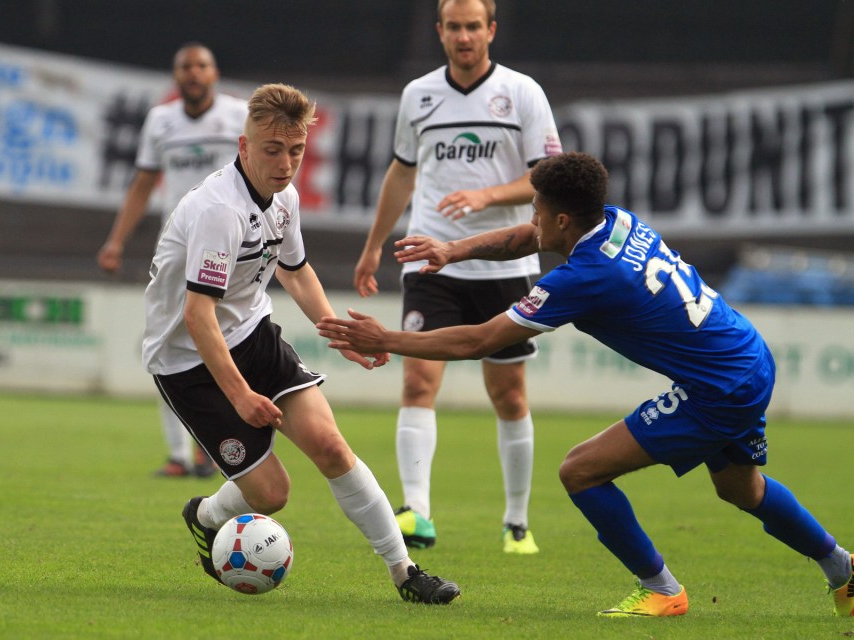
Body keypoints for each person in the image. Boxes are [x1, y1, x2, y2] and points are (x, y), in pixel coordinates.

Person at [318, 151, 854, 617]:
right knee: (742, 488)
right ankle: (843, 570)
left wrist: (385, 337)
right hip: (748, 356)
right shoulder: (617, 222)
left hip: (717, 388)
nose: (533, 220)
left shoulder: (587, 277)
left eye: (538, 210)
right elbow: (528, 237)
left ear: (564, 218)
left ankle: (661, 590)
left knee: (580, 471)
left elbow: (478, 341)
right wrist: (453, 251)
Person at [142, 83, 460, 604]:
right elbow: (197, 317)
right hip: (189, 361)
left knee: (333, 448)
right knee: (273, 494)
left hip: (252, 335)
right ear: (244, 147)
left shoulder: (284, 198)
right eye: (273, 149)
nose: (286, 162)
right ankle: (203, 515)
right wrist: (241, 395)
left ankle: (405, 572)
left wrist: (339, 333)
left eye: (296, 150)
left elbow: (296, 270)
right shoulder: (217, 210)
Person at [353, 0, 562, 554]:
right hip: (429, 258)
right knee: (418, 380)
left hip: (506, 260)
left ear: (490, 30)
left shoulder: (522, 92)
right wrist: (374, 245)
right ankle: (416, 511)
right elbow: (402, 171)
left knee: (508, 393)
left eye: (474, 26)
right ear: (440, 32)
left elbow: (548, 178)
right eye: (454, 26)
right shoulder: (418, 95)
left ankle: (516, 521)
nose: (465, 36)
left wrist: (488, 195)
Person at [98, 42, 248, 478]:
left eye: (202, 66)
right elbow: (143, 184)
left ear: (215, 73)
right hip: (177, 247)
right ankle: (181, 454)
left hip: (228, 245)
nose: (194, 74)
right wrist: (115, 242)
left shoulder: (239, 115)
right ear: (176, 76)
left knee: (227, 344)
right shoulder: (161, 120)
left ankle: (216, 446)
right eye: (186, 67)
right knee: (163, 345)